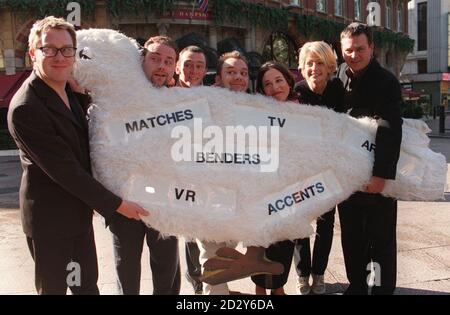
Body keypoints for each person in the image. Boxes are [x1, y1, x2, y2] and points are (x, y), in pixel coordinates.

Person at [7, 16, 148, 295]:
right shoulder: (27, 107)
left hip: (77, 218)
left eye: (67, 49)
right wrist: (118, 204)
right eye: (50, 49)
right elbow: (67, 172)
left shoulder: (67, 91)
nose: (60, 57)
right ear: (33, 53)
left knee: (87, 289)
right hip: (51, 224)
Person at [108, 35, 181, 295]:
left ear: (175, 67)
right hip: (125, 203)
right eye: (155, 59)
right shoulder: (117, 99)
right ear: (142, 60)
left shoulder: (181, 104)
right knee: (126, 273)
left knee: (167, 273)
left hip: (166, 202)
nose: (162, 65)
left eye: (168, 61)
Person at [337, 22, 402, 295]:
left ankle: (382, 290)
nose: (354, 55)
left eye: (360, 49)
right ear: (342, 50)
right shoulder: (338, 74)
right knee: (352, 240)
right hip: (347, 177)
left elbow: (389, 129)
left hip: (375, 177)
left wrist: (380, 175)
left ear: (371, 48)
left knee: (381, 241)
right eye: (349, 50)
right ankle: (357, 287)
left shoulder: (386, 81)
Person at [293, 41, 346, 295]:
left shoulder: (338, 89)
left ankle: (319, 273)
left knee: (326, 224)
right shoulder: (297, 92)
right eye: (309, 63)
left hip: (329, 169)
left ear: (330, 66)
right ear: (303, 68)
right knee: (301, 223)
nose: (314, 68)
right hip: (302, 170)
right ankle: (302, 274)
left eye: (320, 63)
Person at [197, 50, 249, 295]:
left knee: (225, 255)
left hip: (241, 198)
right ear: (217, 78)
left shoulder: (255, 107)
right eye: (231, 72)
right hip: (210, 198)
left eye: (243, 72)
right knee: (212, 257)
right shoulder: (204, 105)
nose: (238, 77)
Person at [250, 61, 298, 295]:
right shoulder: (255, 113)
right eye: (267, 84)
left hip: (292, 195)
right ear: (261, 90)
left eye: (279, 80)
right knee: (260, 246)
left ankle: (278, 289)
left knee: (283, 248)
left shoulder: (305, 112)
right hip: (260, 194)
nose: (275, 87)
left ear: (288, 80)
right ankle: (261, 289)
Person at [175, 45, 208, 294]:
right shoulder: (164, 96)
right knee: (188, 232)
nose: (192, 70)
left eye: (198, 65)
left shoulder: (211, 98)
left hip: (205, 175)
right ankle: (196, 278)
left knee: (203, 229)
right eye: (187, 64)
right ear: (177, 66)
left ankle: (206, 276)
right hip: (176, 176)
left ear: (205, 70)